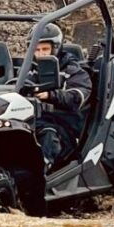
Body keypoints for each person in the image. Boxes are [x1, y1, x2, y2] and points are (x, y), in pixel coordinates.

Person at [31, 24, 92, 170]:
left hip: (65, 127)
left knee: (48, 135)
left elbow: (76, 97)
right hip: (35, 121)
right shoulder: (30, 71)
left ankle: (38, 177)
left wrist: (51, 95)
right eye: (37, 50)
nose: (41, 54)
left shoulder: (74, 71)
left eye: (45, 49)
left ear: (55, 48)